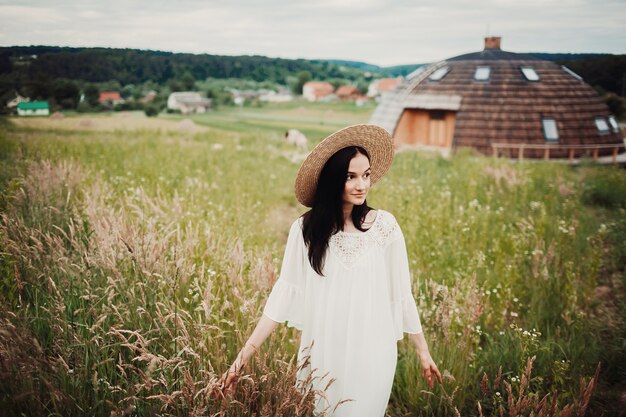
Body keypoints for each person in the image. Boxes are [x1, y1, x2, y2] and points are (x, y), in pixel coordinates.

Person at [219, 124, 441, 416]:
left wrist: (423, 352)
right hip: (323, 352)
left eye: (366, 175)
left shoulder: (385, 227)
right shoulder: (305, 230)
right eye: (350, 176)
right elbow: (281, 299)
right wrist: (240, 360)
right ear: (333, 180)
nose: (361, 185)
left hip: (373, 352)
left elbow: (401, 294)